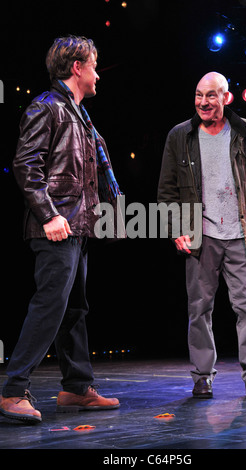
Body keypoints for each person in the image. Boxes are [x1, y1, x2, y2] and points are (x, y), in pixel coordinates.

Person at [0, 36, 123, 423]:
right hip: (56, 225)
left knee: (74, 308)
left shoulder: (79, 116)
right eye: (94, 65)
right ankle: (12, 390)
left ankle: (75, 387)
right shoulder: (47, 107)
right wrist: (50, 215)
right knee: (50, 305)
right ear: (77, 68)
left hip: (77, 226)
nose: (98, 73)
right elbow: (26, 165)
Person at [158, 71, 246, 399]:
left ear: (226, 98)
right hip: (201, 238)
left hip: (244, 235)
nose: (203, 102)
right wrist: (175, 230)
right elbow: (167, 191)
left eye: (211, 95)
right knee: (199, 308)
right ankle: (202, 377)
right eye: (199, 95)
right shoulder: (179, 136)